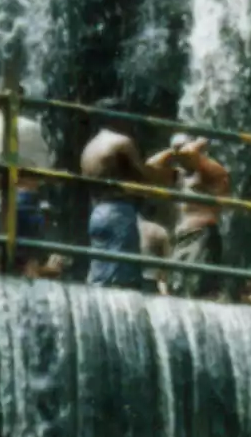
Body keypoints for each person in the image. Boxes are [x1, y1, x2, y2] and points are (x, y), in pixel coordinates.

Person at [80, 99, 167, 291]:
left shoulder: (90, 147)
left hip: (97, 212)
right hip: (119, 212)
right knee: (121, 279)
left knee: (100, 274)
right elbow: (144, 174)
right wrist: (165, 168)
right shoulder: (122, 143)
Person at [0, 92, 57, 276]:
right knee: (30, 262)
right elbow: (44, 172)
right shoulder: (33, 128)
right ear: (22, 100)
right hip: (26, 199)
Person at [148, 134, 231, 300]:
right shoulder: (177, 176)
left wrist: (196, 146)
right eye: (176, 150)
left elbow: (190, 155)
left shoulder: (209, 169)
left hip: (201, 237)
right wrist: (173, 152)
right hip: (180, 240)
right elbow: (151, 166)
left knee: (198, 290)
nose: (179, 155)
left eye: (182, 148)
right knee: (178, 289)